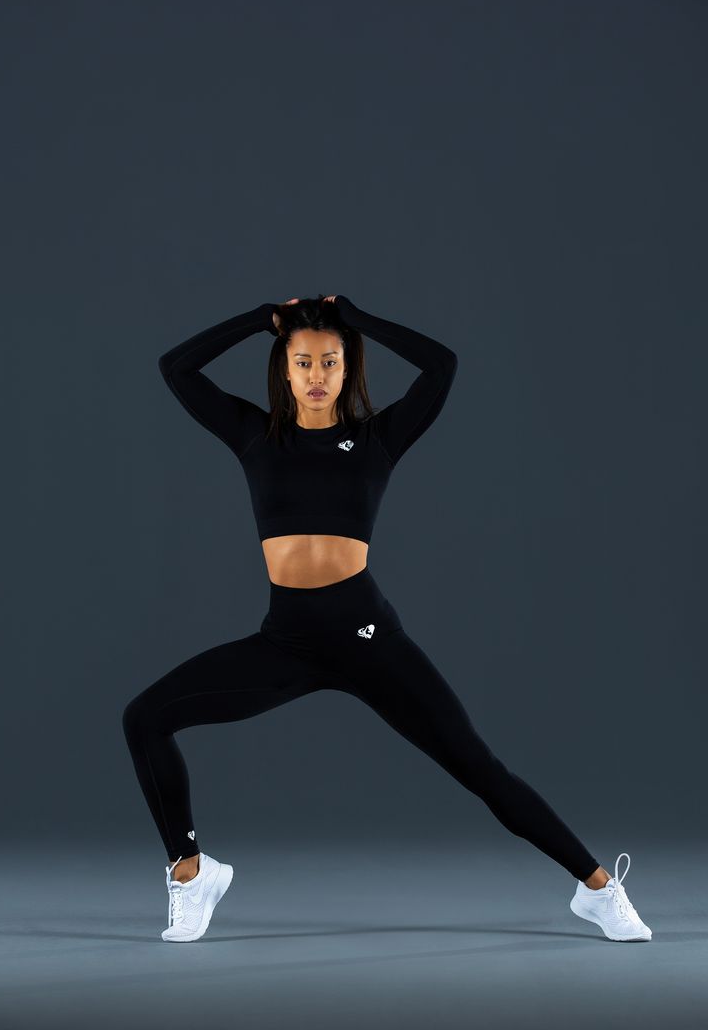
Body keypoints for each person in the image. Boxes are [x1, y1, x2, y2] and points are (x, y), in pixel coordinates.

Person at [122, 293, 652, 944]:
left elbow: (442, 366)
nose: (317, 375)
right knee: (145, 718)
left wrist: (357, 318)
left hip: (369, 640)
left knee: (481, 769)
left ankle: (598, 888)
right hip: (285, 643)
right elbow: (177, 368)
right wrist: (262, 318)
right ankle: (190, 872)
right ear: (284, 371)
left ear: (348, 370)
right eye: (303, 362)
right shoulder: (254, 434)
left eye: (331, 361)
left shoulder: (377, 439)